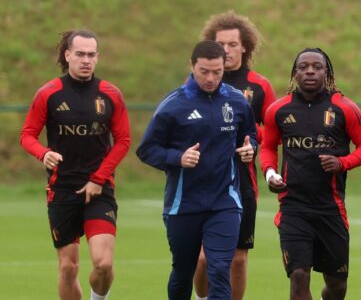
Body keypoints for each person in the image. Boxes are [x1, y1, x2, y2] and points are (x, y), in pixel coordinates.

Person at [136, 40, 257, 300]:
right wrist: (178, 158)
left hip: (225, 202)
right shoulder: (173, 105)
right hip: (183, 205)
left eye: (217, 71)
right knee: (182, 272)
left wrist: (250, 148)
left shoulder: (237, 101)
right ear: (191, 66)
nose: (211, 78)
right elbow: (146, 150)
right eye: (204, 71)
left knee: (219, 269)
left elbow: (249, 134)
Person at [20, 30, 130, 300]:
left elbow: (124, 140)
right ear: (67, 55)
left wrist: (99, 178)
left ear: (98, 57)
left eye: (91, 55)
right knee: (68, 268)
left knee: (103, 265)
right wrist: (43, 153)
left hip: (99, 190)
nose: (86, 60)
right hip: (62, 190)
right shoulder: (49, 94)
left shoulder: (110, 94)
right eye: (80, 54)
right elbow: (27, 135)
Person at [260, 48, 361, 300]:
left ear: (327, 72)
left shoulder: (345, 108)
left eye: (317, 66)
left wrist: (342, 162)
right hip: (293, 207)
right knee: (299, 275)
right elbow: (268, 146)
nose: (310, 71)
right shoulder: (278, 110)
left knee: (337, 286)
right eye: (303, 67)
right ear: (295, 73)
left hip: (330, 209)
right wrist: (270, 174)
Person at [193, 10, 276, 300]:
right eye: (220, 45)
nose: (226, 50)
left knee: (238, 259)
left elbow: (274, 131)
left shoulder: (259, 86)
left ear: (245, 46)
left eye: (232, 44)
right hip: (203, 181)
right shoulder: (196, 83)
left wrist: (253, 141)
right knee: (203, 259)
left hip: (242, 181)